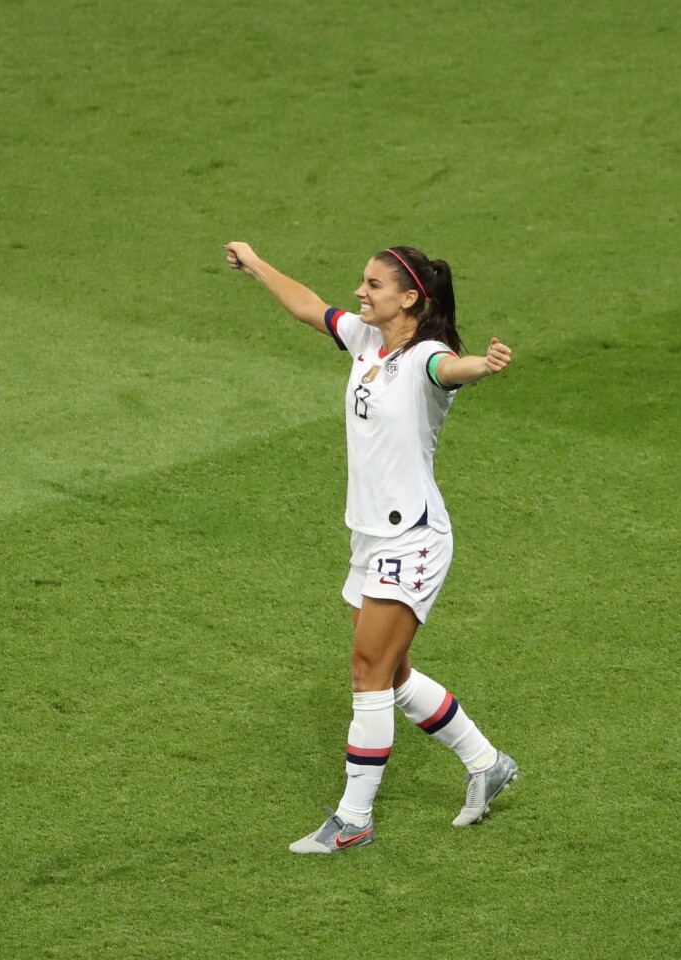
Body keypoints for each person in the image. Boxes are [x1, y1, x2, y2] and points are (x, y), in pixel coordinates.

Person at [223, 240, 517, 854]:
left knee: (367, 671)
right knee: (393, 670)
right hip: (371, 535)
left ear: (409, 299)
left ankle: (353, 818)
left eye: (375, 285)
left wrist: (481, 367)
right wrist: (256, 264)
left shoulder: (427, 356)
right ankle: (487, 763)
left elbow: (449, 369)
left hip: (412, 538)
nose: (362, 292)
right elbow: (310, 308)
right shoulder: (364, 338)